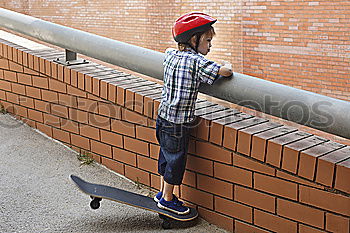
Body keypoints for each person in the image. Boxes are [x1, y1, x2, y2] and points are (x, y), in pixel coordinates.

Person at [154, 12, 233, 215]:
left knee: (165, 154)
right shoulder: (197, 62)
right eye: (207, 40)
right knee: (176, 160)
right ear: (193, 39)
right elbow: (224, 72)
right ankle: (168, 199)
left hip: (163, 117)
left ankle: (162, 193)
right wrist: (228, 66)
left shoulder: (170, 54)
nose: (210, 46)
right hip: (178, 124)